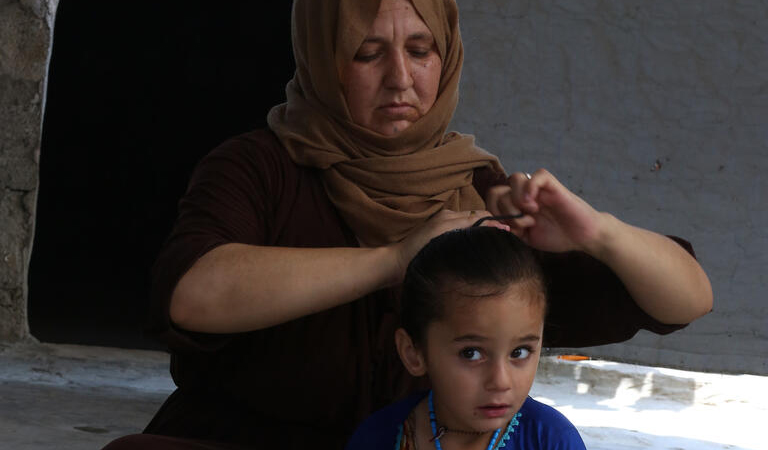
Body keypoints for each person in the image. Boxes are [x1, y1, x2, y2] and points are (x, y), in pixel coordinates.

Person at [102, 0, 712, 449]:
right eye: (368, 53)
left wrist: (596, 232)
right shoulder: (258, 167)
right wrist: (398, 256)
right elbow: (192, 294)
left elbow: (687, 297)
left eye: (420, 51)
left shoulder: (480, 193)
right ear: (323, 58)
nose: (401, 78)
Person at [346, 225, 586, 449]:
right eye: (471, 353)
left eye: (520, 352)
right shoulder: (377, 438)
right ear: (414, 353)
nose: (501, 382)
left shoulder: (551, 441)